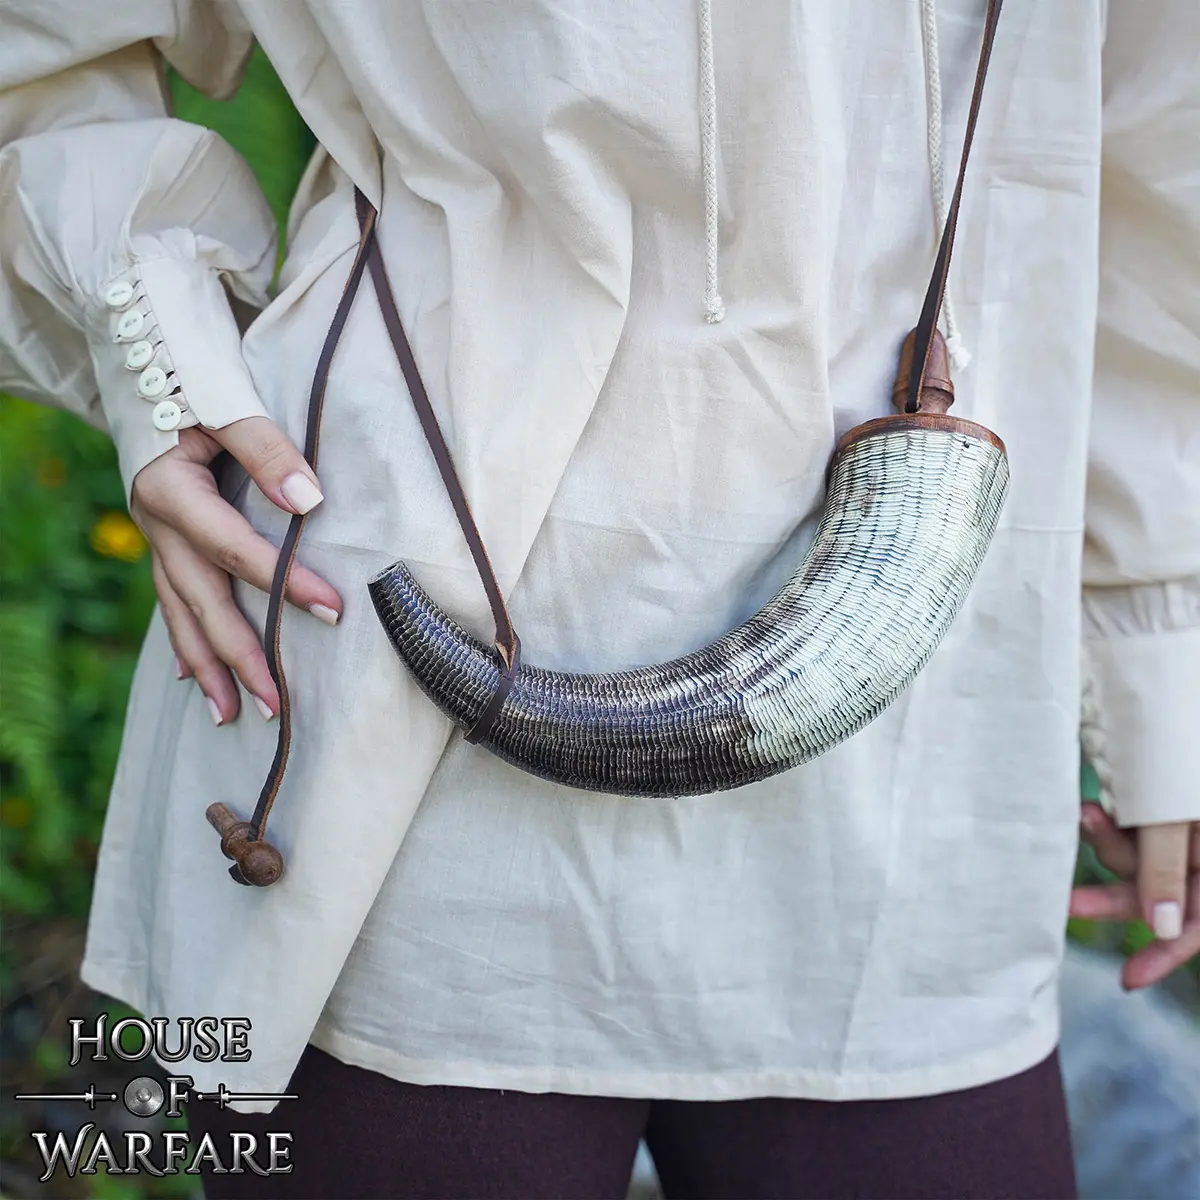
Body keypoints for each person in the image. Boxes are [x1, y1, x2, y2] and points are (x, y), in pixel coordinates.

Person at [1, 0, 1196, 1196]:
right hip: (389, 676)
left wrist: (1160, 660)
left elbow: (1153, 147)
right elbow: (46, 52)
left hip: (922, 727)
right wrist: (164, 365)